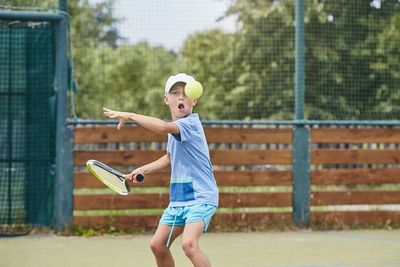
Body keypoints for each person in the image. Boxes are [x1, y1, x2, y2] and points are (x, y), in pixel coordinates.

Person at [103, 73, 219, 267]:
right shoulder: (175, 130)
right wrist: (141, 170)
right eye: (175, 93)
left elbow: (163, 127)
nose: (181, 97)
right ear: (167, 99)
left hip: (201, 196)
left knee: (189, 245)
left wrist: (130, 115)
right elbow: (169, 159)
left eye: (185, 93)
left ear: (194, 100)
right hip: (179, 199)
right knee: (158, 245)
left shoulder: (190, 124)